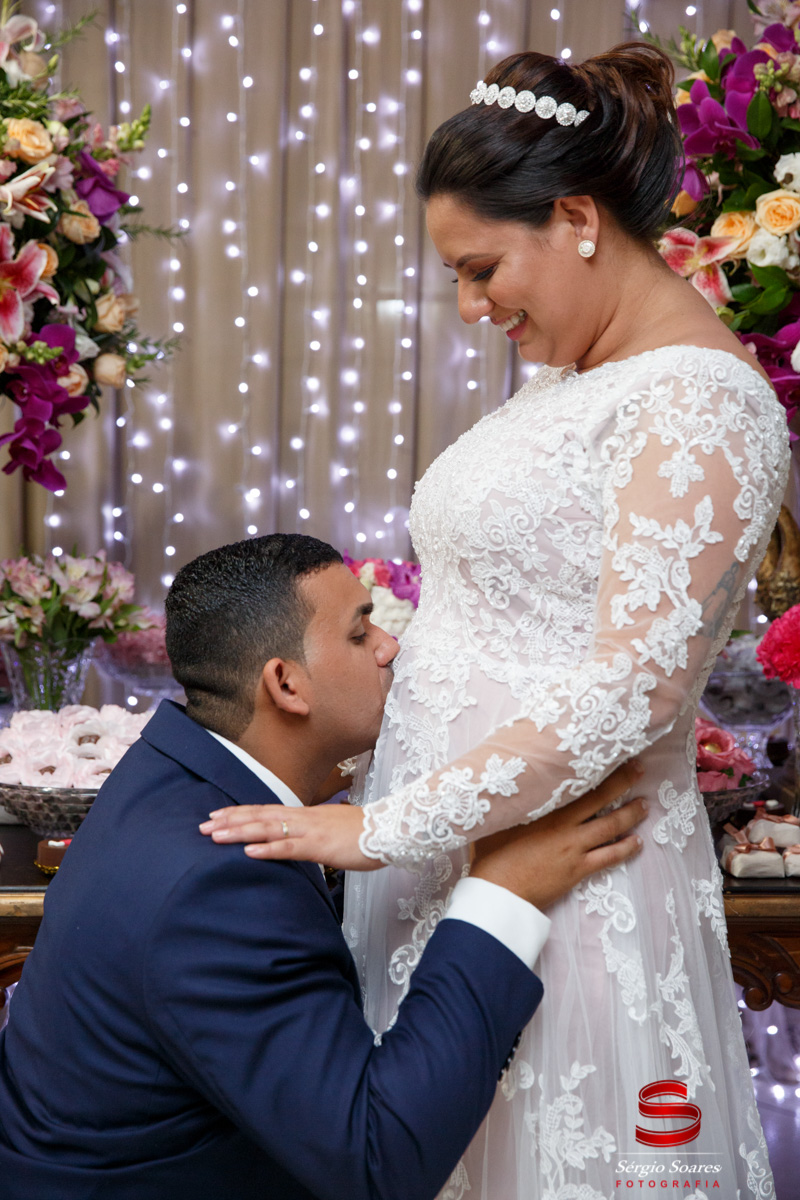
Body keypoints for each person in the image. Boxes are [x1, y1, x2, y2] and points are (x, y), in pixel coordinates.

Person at [201, 46, 790, 1199]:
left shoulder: (699, 400)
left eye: (480, 270)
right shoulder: (577, 377)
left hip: (566, 896)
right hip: (458, 875)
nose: (472, 309)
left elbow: (631, 689)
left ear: (574, 217)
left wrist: (382, 828)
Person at [0, 534, 647, 1200]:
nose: (391, 648)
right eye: (361, 633)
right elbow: (378, 1161)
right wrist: (502, 891)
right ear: (286, 683)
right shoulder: (218, 882)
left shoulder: (167, 773)